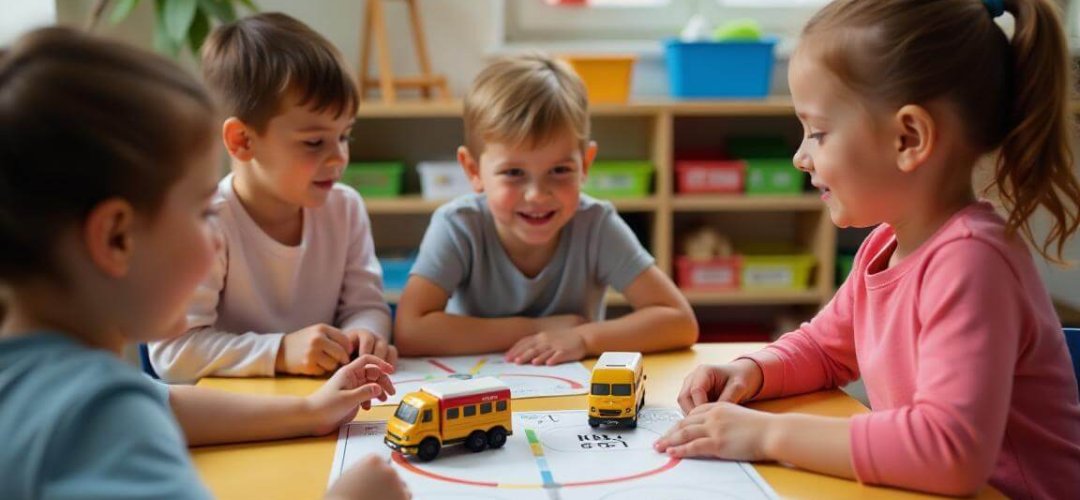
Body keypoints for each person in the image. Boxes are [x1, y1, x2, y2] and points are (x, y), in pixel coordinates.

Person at [656, 1, 1080, 497]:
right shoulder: (886, 243)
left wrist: (765, 433)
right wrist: (749, 371)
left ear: (909, 137)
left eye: (817, 132)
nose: (799, 156)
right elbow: (824, 349)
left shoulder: (973, 263)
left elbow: (950, 452)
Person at [0, 27, 408, 500]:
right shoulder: (101, 417)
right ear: (116, 238)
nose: (216, 238)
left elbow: (169, 404)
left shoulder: (46, 382)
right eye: (200, 211)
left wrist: (311, 411)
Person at [394, 54, 697, 364]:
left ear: (585, 165)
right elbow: (410, 331)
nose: (537, 195)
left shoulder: (596, 224)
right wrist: (537, 329)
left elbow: (679, 321)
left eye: (559, 171)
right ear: (473, 170)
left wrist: (582, 337)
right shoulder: (458, 225)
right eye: (514, 173)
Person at [148, 13, 395, 383]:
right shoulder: (207, 222)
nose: (338, 157)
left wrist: (366, 334)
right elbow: (172, 353)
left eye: (344, 136)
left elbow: (367, 306)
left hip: (320, 406)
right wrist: (280, 351)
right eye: (314, 142)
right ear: (242, 141)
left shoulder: (345, 208)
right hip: (242, 422)